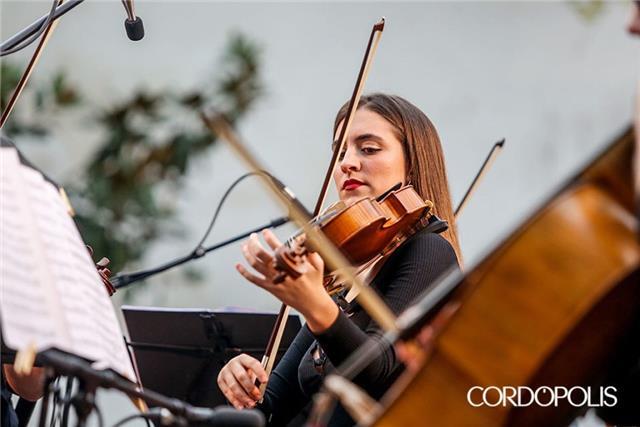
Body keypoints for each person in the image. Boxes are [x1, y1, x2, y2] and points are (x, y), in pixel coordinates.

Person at [216, 93, 462, 426]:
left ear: (413, 164)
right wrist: (244, 389)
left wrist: (316, 307)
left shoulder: (429, 251)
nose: (346, 163)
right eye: (340, 151)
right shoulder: (346, 278)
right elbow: (271, 411)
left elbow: (379, 373)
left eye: (369, 148)